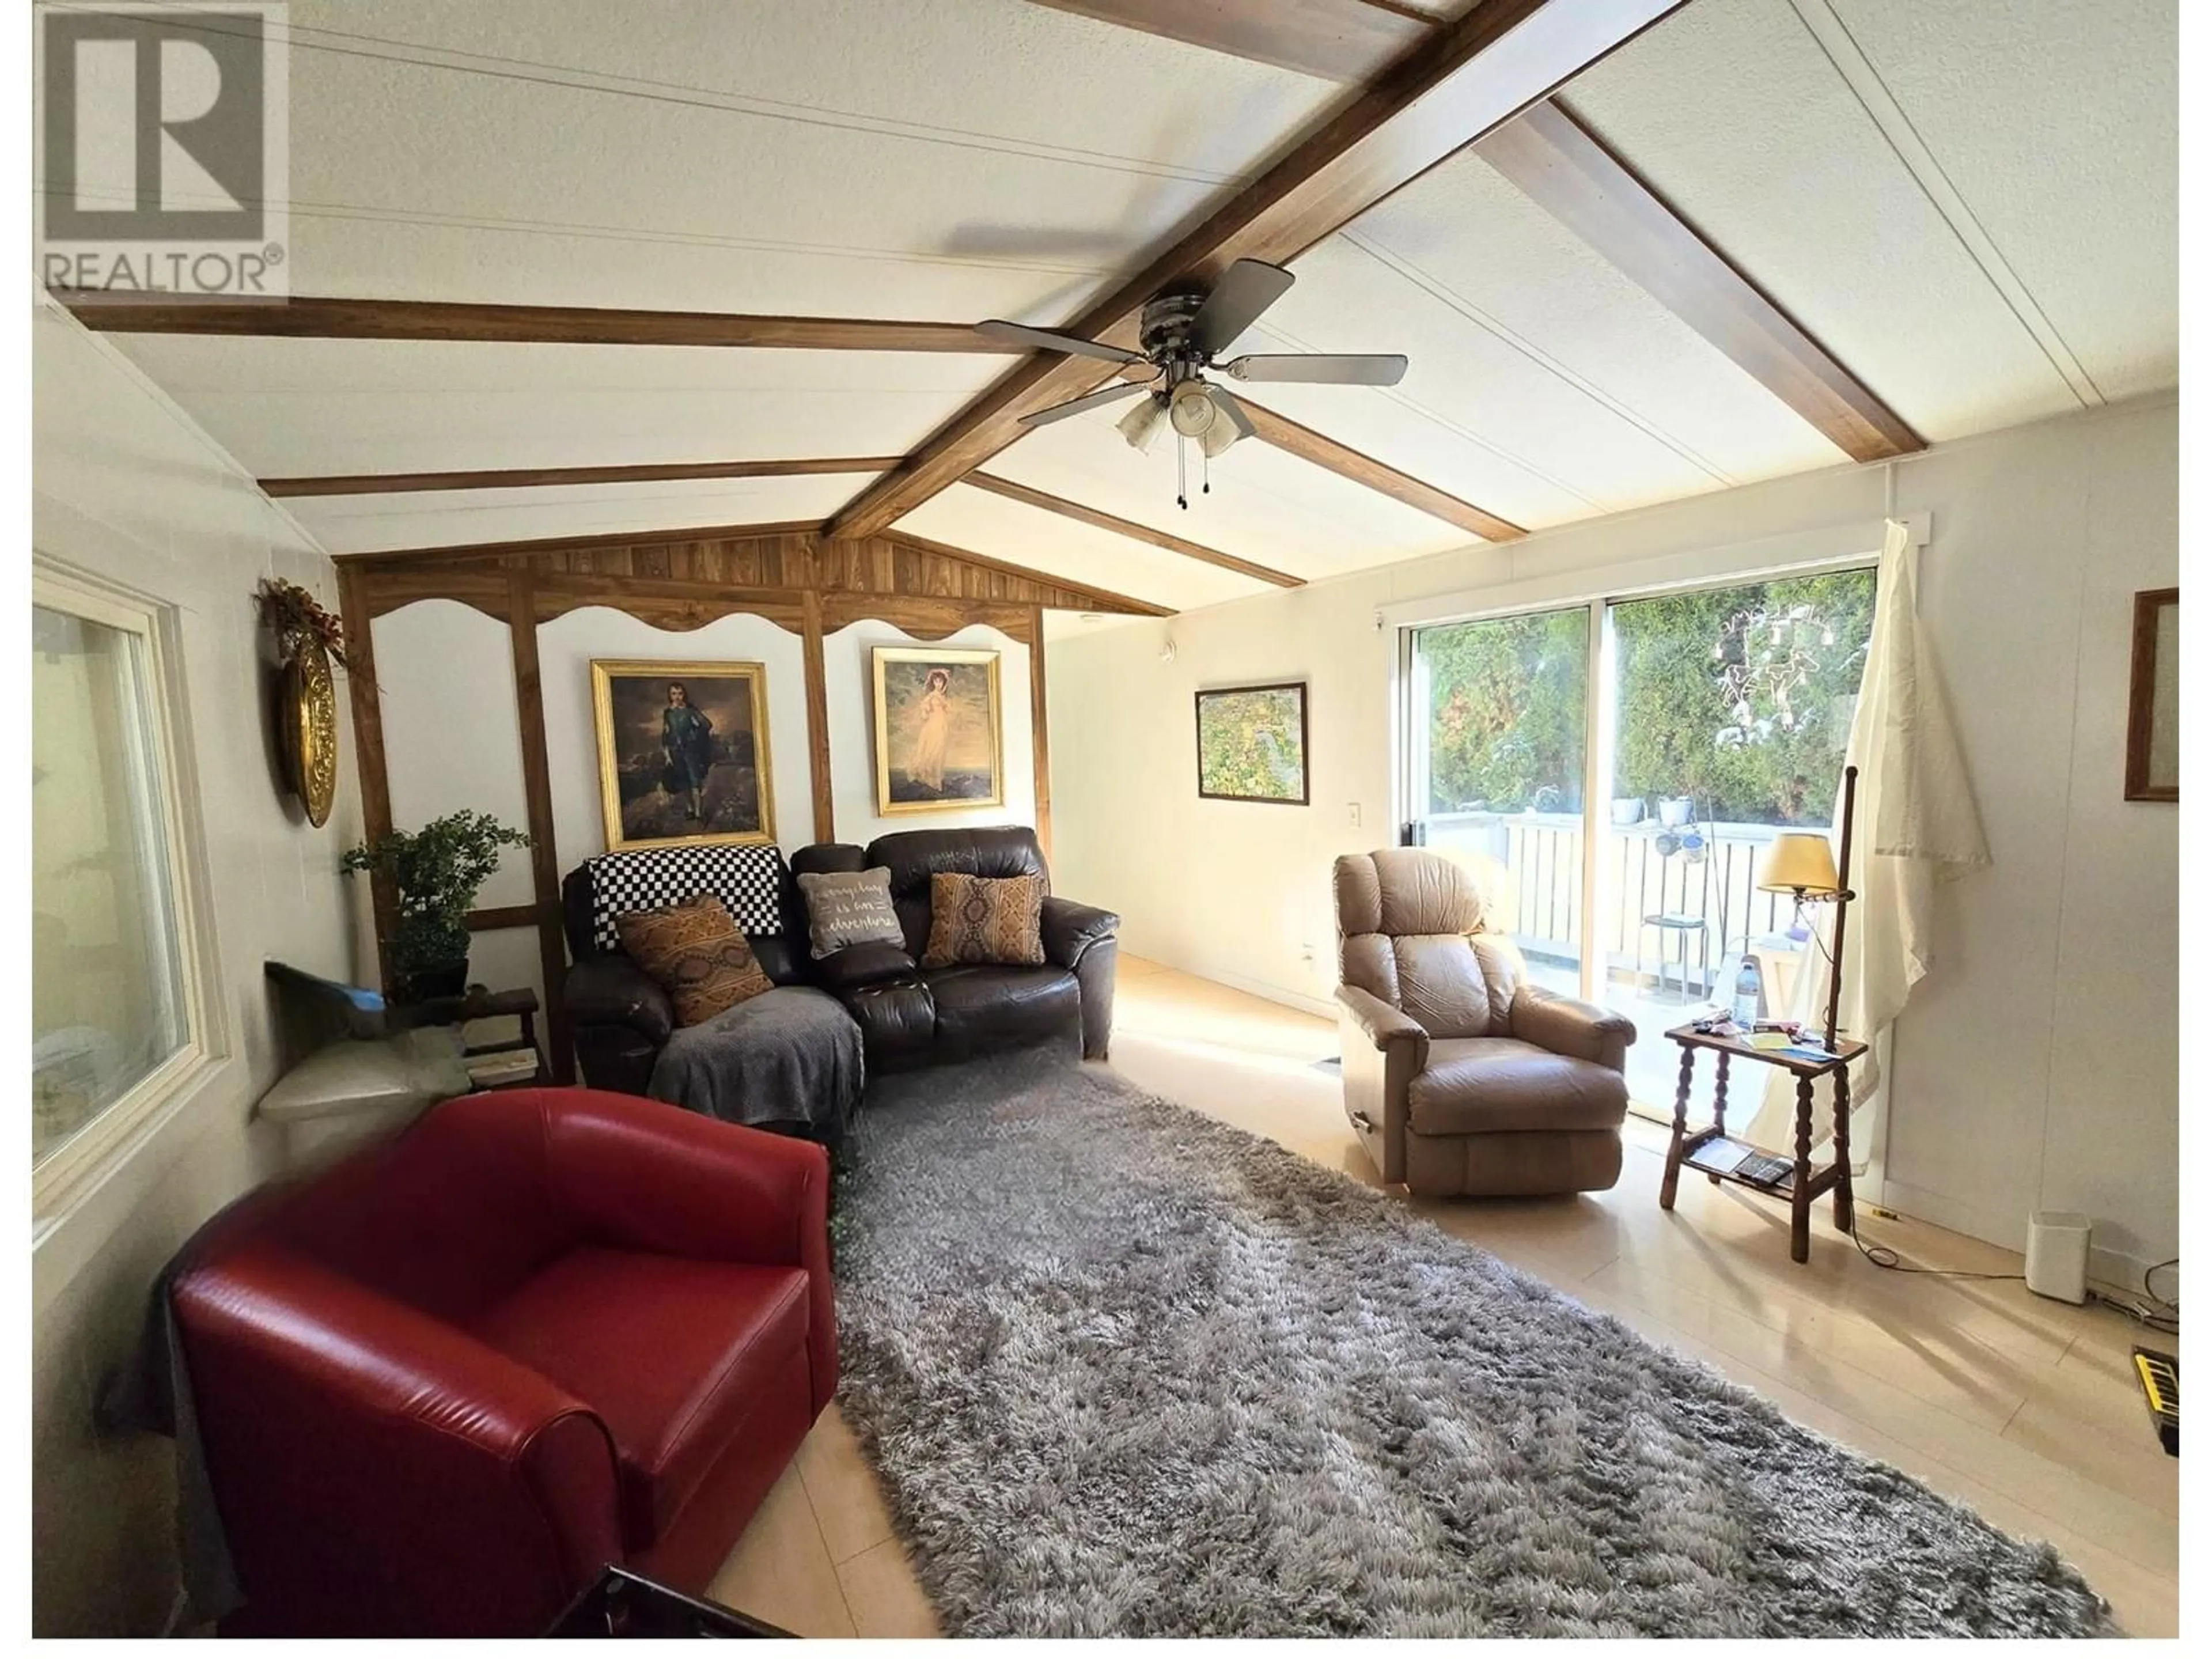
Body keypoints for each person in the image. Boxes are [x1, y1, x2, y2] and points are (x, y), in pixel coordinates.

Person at [660, 682, 715, 820]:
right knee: (683, 782)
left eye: (680, 694)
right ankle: (690, 809)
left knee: (695, 781)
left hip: (692, 751)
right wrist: (667, 755)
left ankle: (698, 813)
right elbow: (666, 734)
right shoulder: (668, 713)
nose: (677, 697)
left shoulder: (691, 710)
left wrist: (695, 730)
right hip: (676, 752)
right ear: (670, 696)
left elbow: (707, 725)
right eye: (674, 694)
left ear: (684, 695)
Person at [910, 667, 953, 793]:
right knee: (933, 752)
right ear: (933, 682)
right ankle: (933, 782)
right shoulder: (932, 696)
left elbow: (949, 710)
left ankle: (937, 782)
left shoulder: (942, 697)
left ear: (944, 683)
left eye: (940, 682)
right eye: (936, 681)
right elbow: (924, 712)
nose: (938, 684)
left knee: (940, 752)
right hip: (933, 726)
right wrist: (926, 712)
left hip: (942, 726)